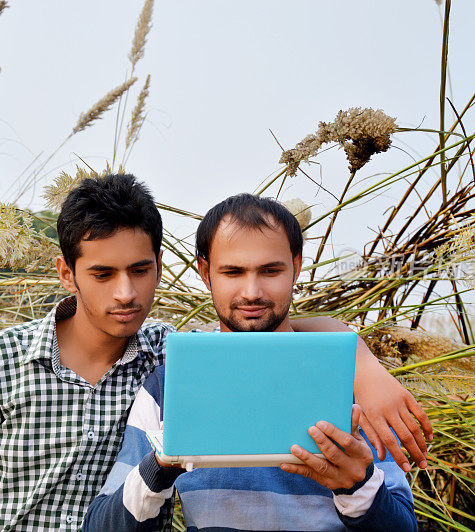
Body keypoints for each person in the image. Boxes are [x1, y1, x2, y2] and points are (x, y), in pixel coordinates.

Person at [0, 176, 427, 531]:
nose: (124, 293)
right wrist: (159, 466)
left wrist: (358, 362)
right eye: (102, 274)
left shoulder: (189, 359)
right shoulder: (172, 372)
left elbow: (264, 333)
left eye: (139, 271)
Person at [83, 194, 418, 531]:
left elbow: (406, 526)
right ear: (205, 271)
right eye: (233, 272)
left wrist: (357, 485)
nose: (252, 291)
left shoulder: (353, 382)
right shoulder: (171, 384)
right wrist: (160, 465)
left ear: (297, 266)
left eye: (270, 270)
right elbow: (100, 526)